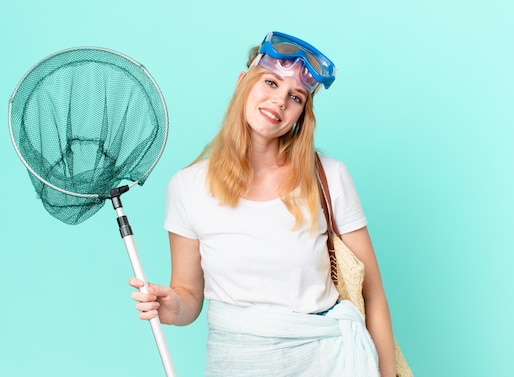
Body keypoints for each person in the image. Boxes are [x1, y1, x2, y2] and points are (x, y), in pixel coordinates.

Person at [129, 31, 396, 377]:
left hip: (331, 363)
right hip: (237, 363)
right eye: (270, 83)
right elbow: (190, 295)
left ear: (301, 113)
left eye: (296, 97)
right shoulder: (187, 187)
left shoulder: (329, 177)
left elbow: (372, 296)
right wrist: (173, 306)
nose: (280, 102)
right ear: (243, 82)